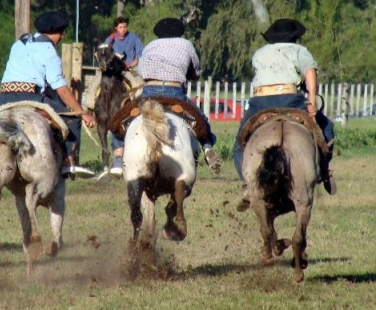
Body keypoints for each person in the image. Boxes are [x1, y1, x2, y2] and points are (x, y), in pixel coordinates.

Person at [233, 18, 336, 212]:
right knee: (327, 129)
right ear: (294, 37)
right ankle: (324, 172)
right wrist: (312, 101)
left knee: (239, 145)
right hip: (290, 99)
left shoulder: (259, 53)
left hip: (260, 102)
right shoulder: (299, 50)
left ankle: (248, 186)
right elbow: (310, 72)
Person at [97, 17, 219, 181]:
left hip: (150, 91)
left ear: (159, 33)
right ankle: (207, 147)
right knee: (199, 117)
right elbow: (196, 71)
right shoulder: (186, 45)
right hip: (175, 91)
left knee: (121, 118)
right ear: (179, 32)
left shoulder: (150, 46)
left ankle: (118, 160)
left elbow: (142, 68)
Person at [0, 10, 96, 178]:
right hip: (30, 97)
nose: (61, 37)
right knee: (72, 118)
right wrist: (82, 112)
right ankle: (68, 162)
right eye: (60, 33)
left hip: (3, 98)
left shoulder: (18, 44)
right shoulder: (48, 50)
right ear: (55, 33)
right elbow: (60, 89)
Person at [94, 16, 144, 179]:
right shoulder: (110, 40)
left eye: (125, 27)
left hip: (127, 70)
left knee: (138, 87)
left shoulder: (133, 38)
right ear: (116, 28)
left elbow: (140, 56)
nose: (123, 29)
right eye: (120, 27)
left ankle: (139, 109)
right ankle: (88, 109)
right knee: (93, 87)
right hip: (109, 71)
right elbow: (102, 53)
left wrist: (130, 63)